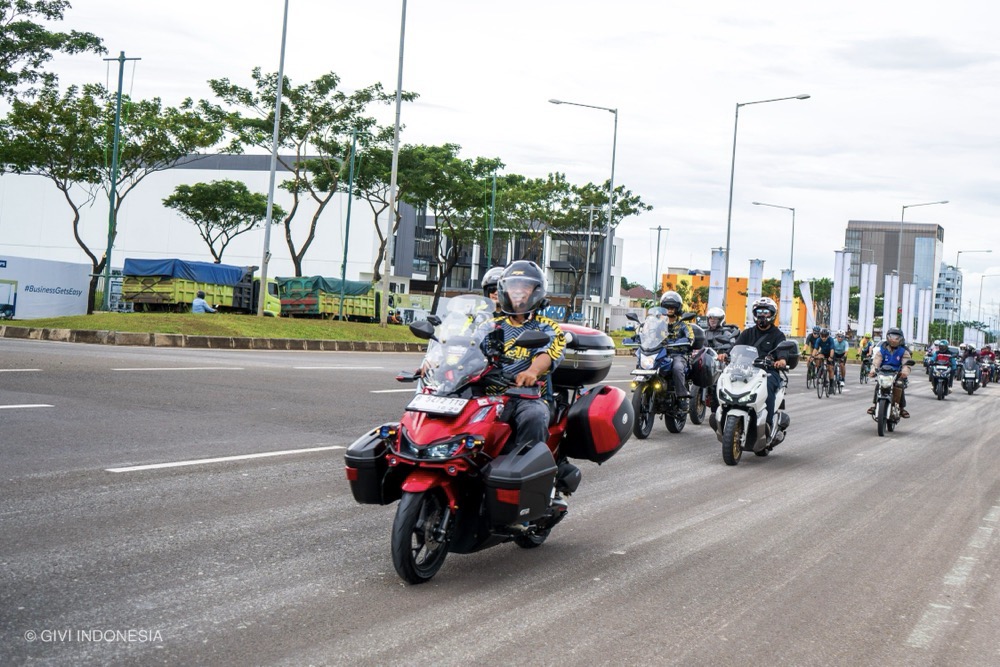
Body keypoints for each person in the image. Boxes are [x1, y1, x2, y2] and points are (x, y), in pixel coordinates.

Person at [477, 261, 566, 457]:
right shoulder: (490, 325)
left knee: (533, 416)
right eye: (513, 287)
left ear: (536, 291)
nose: (517, 291)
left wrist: (532, 371)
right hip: (487, 395)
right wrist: (437, 363)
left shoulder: (546, 327)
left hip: (528, 396)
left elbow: (547, 354)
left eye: (524, 287)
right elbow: (468, 347)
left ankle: (525, 469)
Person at [733, 297, 793, 432]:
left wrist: (781, 360)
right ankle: (720, 411)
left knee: (767, 388)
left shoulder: (778, 335)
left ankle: (768, 423)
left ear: (772, 314)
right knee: (727, 381)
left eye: (766, 312)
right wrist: (725, 355)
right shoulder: (747, 333)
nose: (762, 314)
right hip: (747, 370)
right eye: (759, 311)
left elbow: (782, 351)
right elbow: (736, 348)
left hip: (768, 372)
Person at [659, 290, 695, 411]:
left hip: (678, 354)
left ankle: (682, 397)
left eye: (672, 307)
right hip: (660, 353)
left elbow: (690, 337)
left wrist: (684, 341)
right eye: (667, 306)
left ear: (677, 308)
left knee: (677, 367)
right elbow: (649, 333)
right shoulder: (659, 322)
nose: (669, 309)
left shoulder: (683, 323)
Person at [867, 327, 912, 418]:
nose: (894, 339)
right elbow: (876, 361)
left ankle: (901, 408)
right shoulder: (882, 350)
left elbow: (906, 364)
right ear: (888, 337)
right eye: (892, 336)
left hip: (897, 374)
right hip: (883, 373)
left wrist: (904, 372)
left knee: (899, 385)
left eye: (896, 337)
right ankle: (876, 405)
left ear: (901, 338)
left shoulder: (904, 351)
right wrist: (873, 371)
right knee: (878, 385)